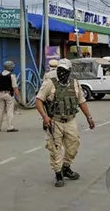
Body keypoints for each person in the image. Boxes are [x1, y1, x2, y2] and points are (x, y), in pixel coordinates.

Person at [36, 58, 95, 187]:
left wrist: (89, 117)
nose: (61, 73)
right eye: (60, 70)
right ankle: (58, 174)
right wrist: (45, 117)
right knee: (55, 148)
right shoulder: (49, 83)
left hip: (70, 120)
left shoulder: (75, 84)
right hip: (54, 121)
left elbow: (81, 101)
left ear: (69, 71)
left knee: (74, 145)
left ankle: (66, 167)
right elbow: (39, 100)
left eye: (64, 71)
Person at [0, 61, 20, 132]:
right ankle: (10, 127)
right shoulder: (12, 75)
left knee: (0, 111)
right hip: (9, 94)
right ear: (11, 67)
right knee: (9, 111)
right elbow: (15, 87)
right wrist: (18, 97)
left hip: (0, 94)